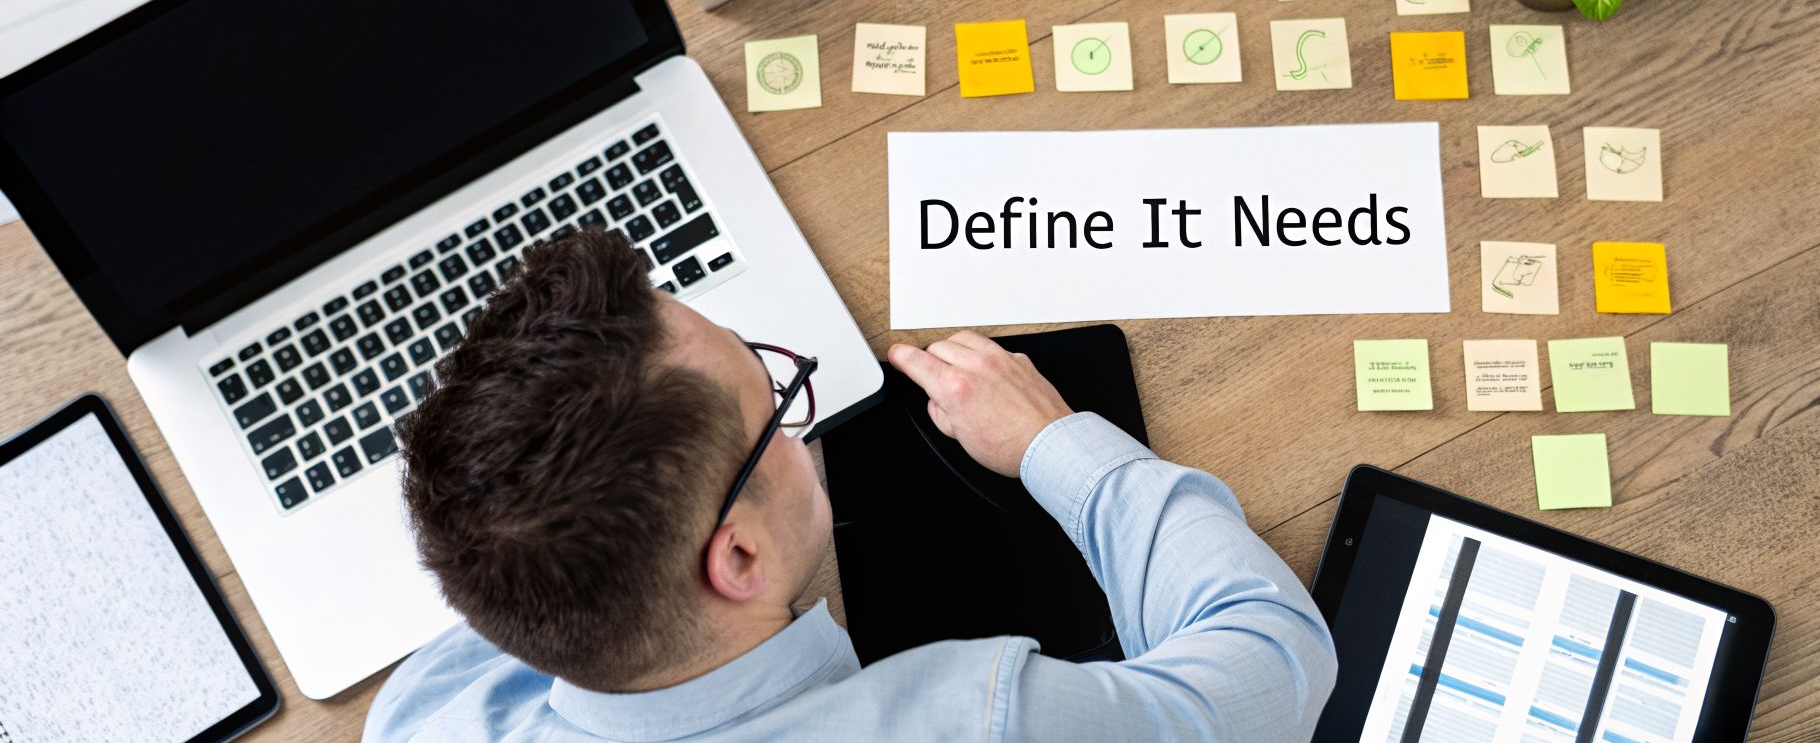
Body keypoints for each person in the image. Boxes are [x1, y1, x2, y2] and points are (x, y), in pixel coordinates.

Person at [365, 229, 1336, 742]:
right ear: (735, 554)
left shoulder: (423, 710)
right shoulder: (974, 720)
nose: (806, 416)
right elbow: (1273, 669)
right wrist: (1054, 442)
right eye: (777, 405)